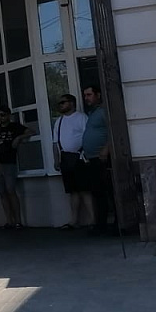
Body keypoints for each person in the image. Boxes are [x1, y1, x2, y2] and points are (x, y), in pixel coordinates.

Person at [52, 93, 93, 229]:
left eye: (63, 102)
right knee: (72, 191)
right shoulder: (59, 121)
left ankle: (93, 220)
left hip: (80, 157)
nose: (60, 105)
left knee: (85, 190)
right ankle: (73, 220)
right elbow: (55, 142)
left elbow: (88, 137)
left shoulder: (81, 118)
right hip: (65, 158)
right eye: (59, 103)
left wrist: (86, 154)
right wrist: (56, 160)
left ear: (71, 103)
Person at [0, 106, 34, 229]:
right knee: (2, 192)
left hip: (9, 162)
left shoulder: (15, 127)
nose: (1, 117)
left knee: (10, 190)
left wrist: (19, 138)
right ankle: (9, 221)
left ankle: (18, 221)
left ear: (8, 115)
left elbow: (31, 131)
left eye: (3, 115)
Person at [82, 85, 113, 235]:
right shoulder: (92, 113)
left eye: (89, 95)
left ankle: (116, 224)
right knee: (97, 192)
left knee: (108, 192)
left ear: (98, 95)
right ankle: (101, 225)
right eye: (85, 95)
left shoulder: (103, 111)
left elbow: (113, 130)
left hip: (103, 158)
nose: (86, 98)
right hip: (92, 159)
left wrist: (107, 148)